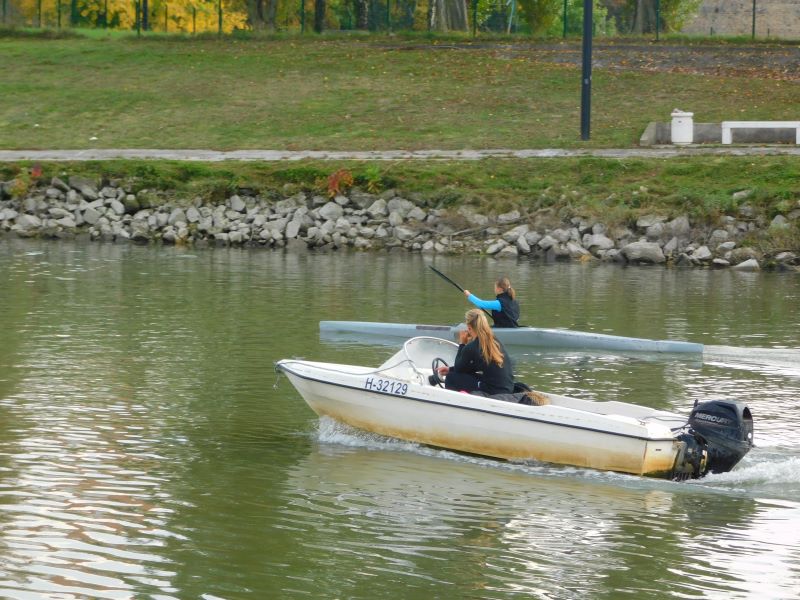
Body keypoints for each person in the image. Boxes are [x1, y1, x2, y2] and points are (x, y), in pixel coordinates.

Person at [436, 309, 515, 395]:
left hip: (494, 391)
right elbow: (471, 367)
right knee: (469, 374)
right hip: (507, 388)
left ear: (469, 327)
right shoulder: (496, 342)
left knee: (451, 378)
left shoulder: (472, 347)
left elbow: (459, 370)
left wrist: (462, 343)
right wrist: (450, 369)